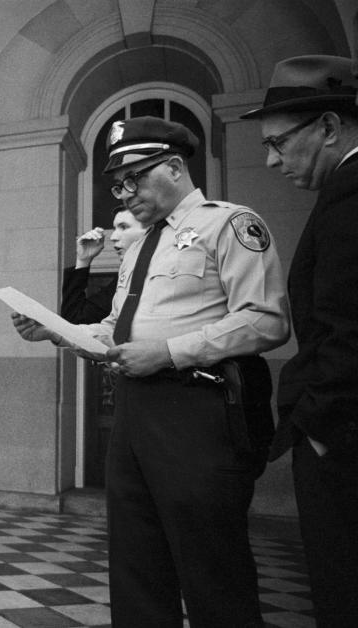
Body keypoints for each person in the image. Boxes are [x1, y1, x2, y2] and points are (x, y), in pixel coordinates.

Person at [13, 117, 290, 627]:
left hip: (198, 413)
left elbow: (266, 320)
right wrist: (56, 330)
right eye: (116, 184)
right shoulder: (140, 246)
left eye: (133, 179)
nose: (123, 194)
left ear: (175, 166)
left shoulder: (228, 224)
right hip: (135, 414)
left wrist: (169, 352)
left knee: (212, 570)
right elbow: (120, 332)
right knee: (136, 568)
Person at [241, 54, 358, 627]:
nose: (270, 159)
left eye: (279, 142)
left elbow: (346, 328)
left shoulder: (351, 195)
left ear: (330, 127)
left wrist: (318, 431)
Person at [62, 205, 146, 324]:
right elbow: (75, 321)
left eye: (124, 227)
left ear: (149, 232)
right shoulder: (126, 277)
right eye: (115, 228)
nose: (113, 237)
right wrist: (83, 261)